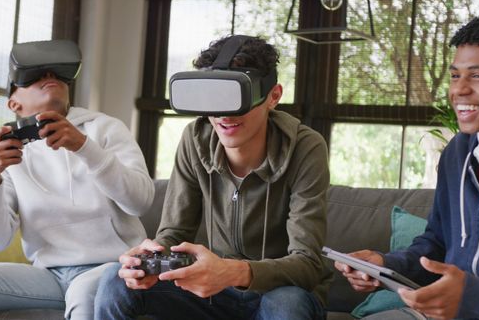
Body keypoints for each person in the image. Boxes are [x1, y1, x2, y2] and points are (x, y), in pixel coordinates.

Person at [94, 36, 332, 320]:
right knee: (114, 280)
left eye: (236, 98)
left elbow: (307, 264)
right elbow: (174, 234)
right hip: (214, 292)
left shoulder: (306, 147)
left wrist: (231, 271)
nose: (223, 114)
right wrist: (148, 262)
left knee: (287, 305)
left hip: (280, 291)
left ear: (273, 96)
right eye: (214, 98)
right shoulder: (195, 140)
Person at [336, 11, 479, 320]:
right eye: (455, 75)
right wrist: (386, 265)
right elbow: (436, 243)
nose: (459, 90)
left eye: (477, 76)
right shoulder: (458, 152)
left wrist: (478, 298)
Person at [0, 40, 155, 320]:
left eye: (57, 74)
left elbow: (140, 202)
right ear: (14, 103)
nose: (49, 78)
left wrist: (84, 147)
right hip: (47, 274)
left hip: (111, 267)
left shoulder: (105, 129)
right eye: (35, 77)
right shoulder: (9, 151)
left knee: (87, 298)